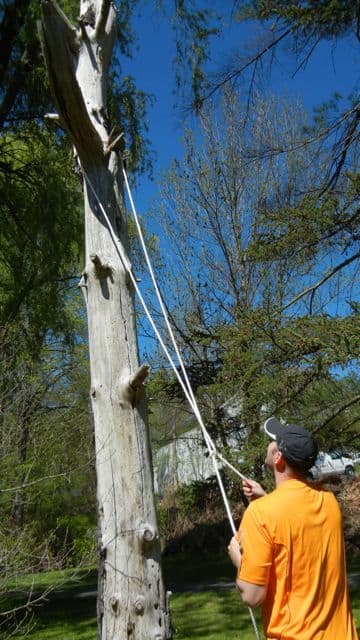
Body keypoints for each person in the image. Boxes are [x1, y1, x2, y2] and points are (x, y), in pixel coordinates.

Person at [227, 416, 359, 640]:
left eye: (273, 441)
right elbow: (296, 526)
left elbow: (253, 596)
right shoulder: (329, 503)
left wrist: (238, 560)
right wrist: (265, 498)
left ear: (278, 458)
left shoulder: (260, 513)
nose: (269, 443)